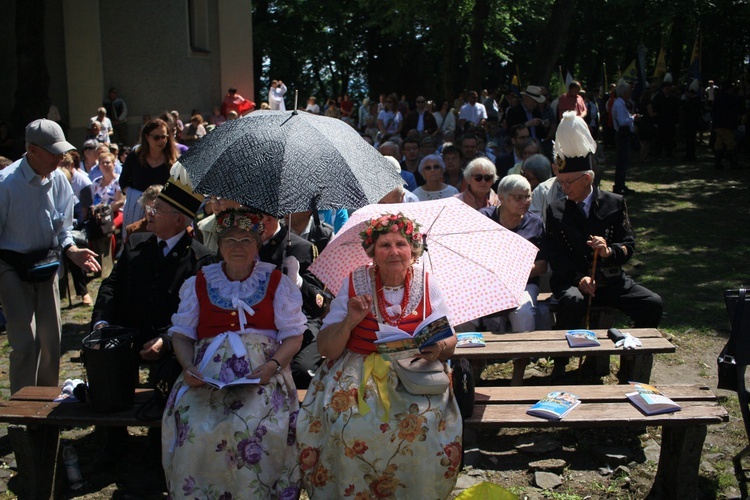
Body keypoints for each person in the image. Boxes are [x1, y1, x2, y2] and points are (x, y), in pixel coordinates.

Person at [296, 213, 462, 498]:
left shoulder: (427, 282)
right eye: (385, 244)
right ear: (372, 251)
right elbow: (326, 348)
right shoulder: (354, 283)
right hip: (358, 370)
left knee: (425, 423)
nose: (394, 251)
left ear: (414, 249)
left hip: (415, 371)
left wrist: (438, 348)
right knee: (348, 422)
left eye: (401, 243)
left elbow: (450, 336)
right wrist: (350, 320)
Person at [162, 208, 306, 498]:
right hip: (206, 373)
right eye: (230, 240)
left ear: (257, 246)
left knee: (255, 429)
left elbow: (293, 336)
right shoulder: (200, 281)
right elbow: (182, 334)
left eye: (245, 241)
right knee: (196, 429)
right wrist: (188, 366)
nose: (237, 247)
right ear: (219, 244)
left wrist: (273, 366)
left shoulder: (277, 281)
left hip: (263, 372)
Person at [546, 113, 663, 380]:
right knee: (572, 301)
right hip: (574, 281)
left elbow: (629, 245)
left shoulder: (614, 202)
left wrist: (609, 252)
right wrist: (579, 278)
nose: (563, 188)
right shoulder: (556, 209)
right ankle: (561, 364)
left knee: (652, 304)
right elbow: (557, 254)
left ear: (587, 178)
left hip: (609, 280)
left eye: (568, 182)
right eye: (561, 182)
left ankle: (632, 358)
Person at [0, 119, 100, 394]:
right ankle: (23, 406)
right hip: (10, 265)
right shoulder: (6, 184)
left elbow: (63, 228)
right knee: (25, 342)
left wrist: (72, 251)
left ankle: (46, 404)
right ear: (32, 150)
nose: (60, 158)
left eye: (61, 151)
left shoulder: (58, 180)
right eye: (53, 152)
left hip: (45, 265)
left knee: (51, 341)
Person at [479, 175, 548, 384]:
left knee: (524, 310)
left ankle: (518, 374)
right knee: (465, 317)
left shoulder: (535, 222)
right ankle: (473, 370)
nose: (525, 202)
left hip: (524, 282)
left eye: (528, 196)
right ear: (501, 197)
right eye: (518, 197)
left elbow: (542, 265)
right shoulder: (484, 218)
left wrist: (513, 273)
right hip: (487, 282)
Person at [119, 118, 178, 238]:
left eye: (164, 137)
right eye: (156, 137)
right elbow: (123, 182)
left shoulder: (172, 161)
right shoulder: (134, 157)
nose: (161, 140)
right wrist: (137, 197)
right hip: (137, 208)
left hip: (164, 211)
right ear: (147, 137)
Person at [611, 81, 639, 195]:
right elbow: (622, 122)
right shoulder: (620, 104)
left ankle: (621, 184)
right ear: (623, 93)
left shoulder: (621, 103)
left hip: (623, 134)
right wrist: (633, 118)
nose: (631, 93)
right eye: (629, 91)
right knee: (622, 161)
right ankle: (618, 186)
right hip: (623, 135)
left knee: (623, 161)